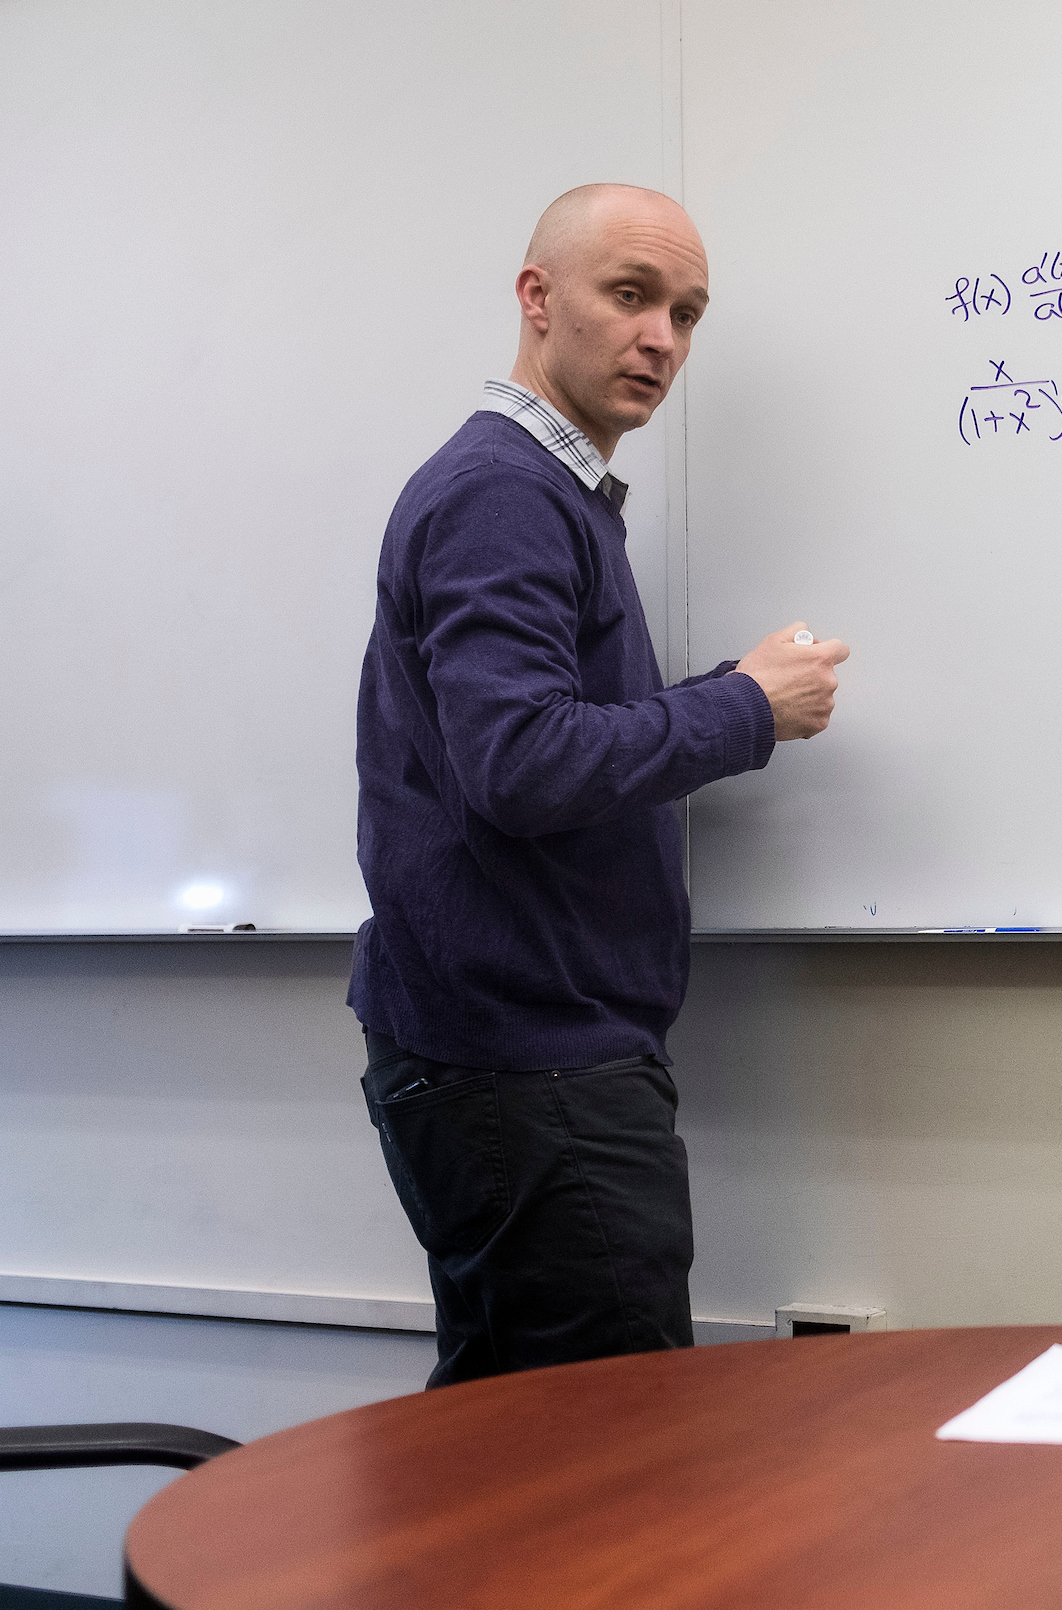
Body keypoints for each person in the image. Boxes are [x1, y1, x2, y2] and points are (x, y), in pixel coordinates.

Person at [351, 183, 848, 1387]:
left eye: (684, 312)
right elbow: (520, 763)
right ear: (538, 299)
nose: (662, 339)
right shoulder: (505, 493)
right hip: (533, 1071)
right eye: (631, 296)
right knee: (612, 1461)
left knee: (518, 1452)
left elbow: (536, 729)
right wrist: (744, 709)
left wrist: (720, 691)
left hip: (519, 1058)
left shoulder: (541, 494)